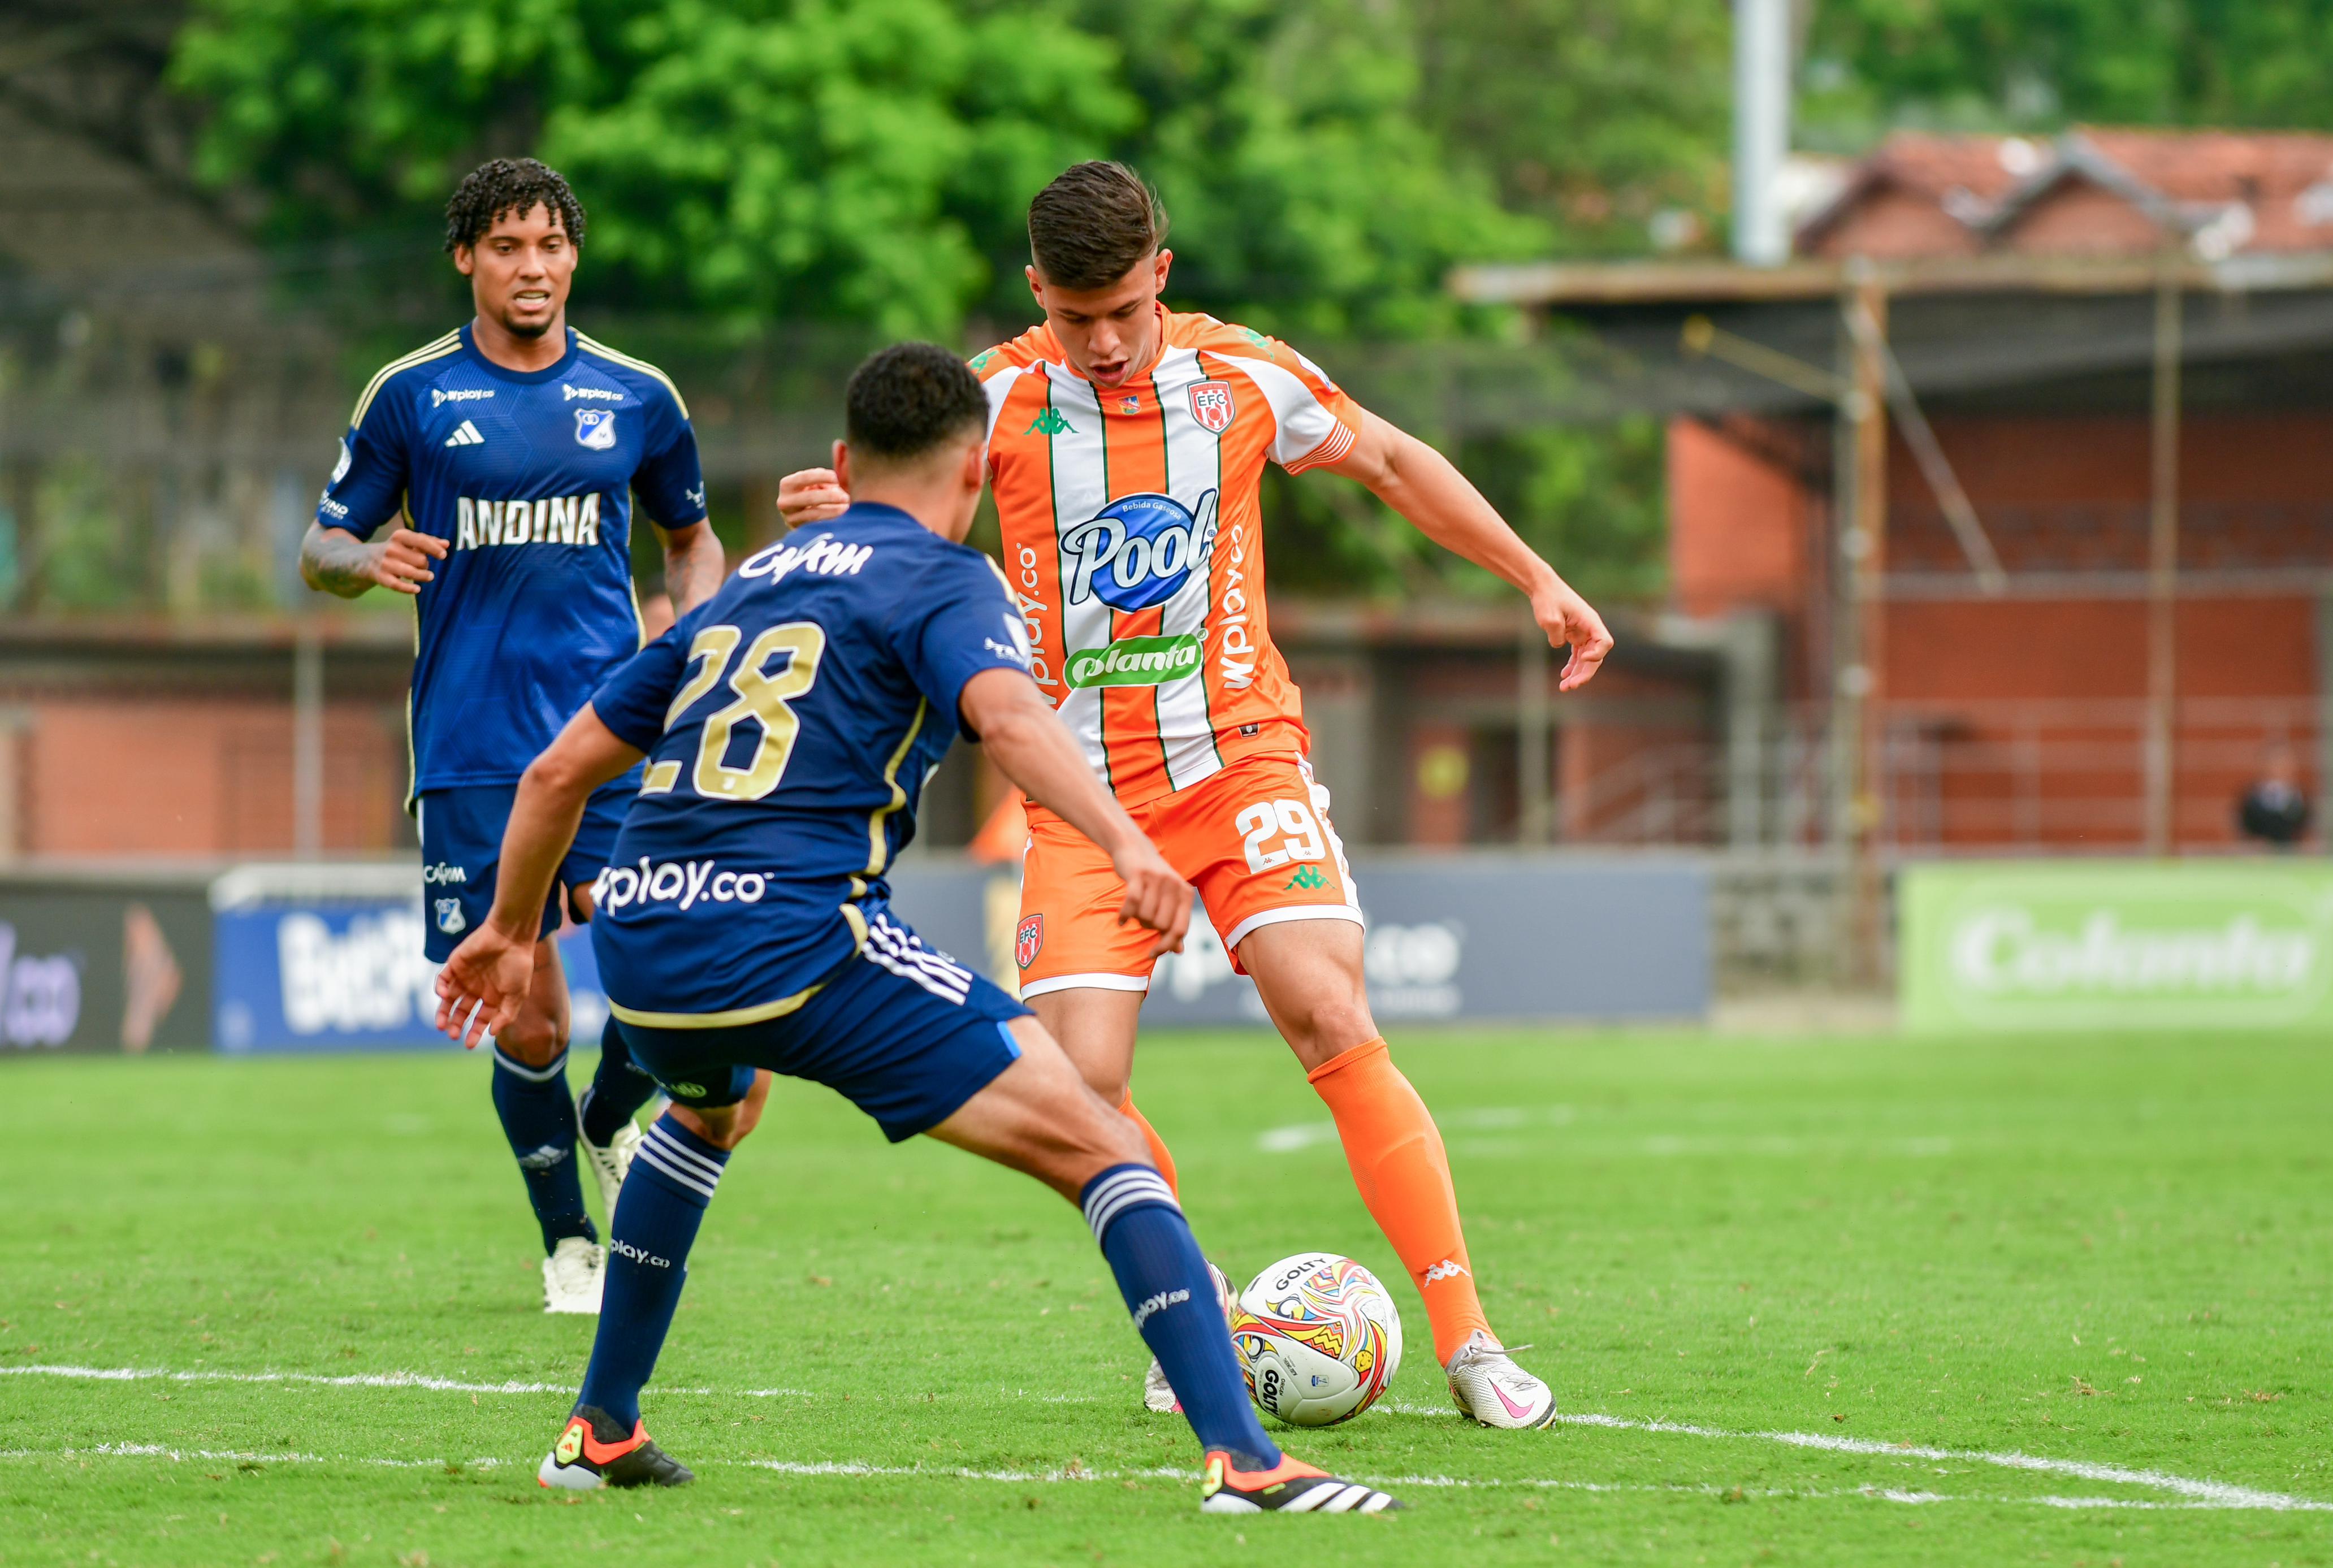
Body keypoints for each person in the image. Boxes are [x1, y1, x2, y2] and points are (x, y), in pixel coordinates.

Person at [433, 343, 1397, 1514]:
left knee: (707, 1105)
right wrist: (1128, 841)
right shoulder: (946, 579)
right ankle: (1249, 1460)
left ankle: (599, 1425)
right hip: (793, 935)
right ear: (974, 478)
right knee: (1108, 1146)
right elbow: (1010, 715)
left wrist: (506, 929)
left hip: (642, 939)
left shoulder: (750, 583)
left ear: (843, 462)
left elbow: (553, 775)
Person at [777, 161, 1613, 1429]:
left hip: (1239, 761)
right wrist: (839, 513)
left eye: (1122, 308)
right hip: (1080, 797)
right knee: (1078, 1082)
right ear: (1034, 294)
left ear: (1161, 272)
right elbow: (894, 522)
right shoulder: (994, 398)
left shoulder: (1242, 377)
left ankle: (1470, 1340)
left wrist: (1535, 576)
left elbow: (1389, 458)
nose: (1103, 341)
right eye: (1074, 315)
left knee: (1324, 1007)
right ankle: (1200, 1304)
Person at [301, 158, 725, 1313]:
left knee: (671, 957)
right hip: (476, 743)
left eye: (548, 245)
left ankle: (607, 1116)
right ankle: (570, 1244)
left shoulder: (638, 394)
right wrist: (363, 560)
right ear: (466, 260)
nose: (529, 268)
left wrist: (697, 631)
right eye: (504, 247)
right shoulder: (411, 394)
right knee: (528, 1004)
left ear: (573, 256)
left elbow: (690, 538)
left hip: (617, 731)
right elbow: (321, 545)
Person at [2237, 738, 2310, 849]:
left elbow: (2307, 828)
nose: (2280, 768)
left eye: (2284, 763)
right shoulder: (2252, 797)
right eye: (2275, 763)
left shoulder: (2301, 797)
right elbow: (2242, 827)